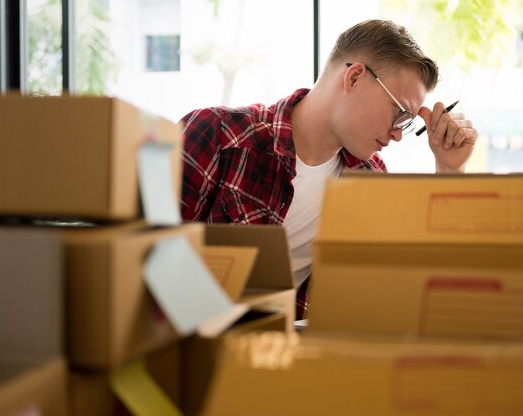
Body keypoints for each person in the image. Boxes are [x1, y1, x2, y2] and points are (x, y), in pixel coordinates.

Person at [180, 19, 478, 320]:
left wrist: (450, 169)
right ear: (355, 77)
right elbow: (141, 255)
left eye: (407, 123)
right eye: (399, 113)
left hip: (285, 353)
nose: (397, 134)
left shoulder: (369, 180)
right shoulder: (220, 136)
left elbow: (416, 282)